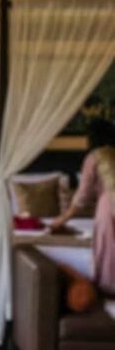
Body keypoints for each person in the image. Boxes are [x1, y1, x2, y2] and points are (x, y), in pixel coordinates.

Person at [50, 117, 115, 297]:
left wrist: (61, 220)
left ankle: (108, 290)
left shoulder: (94, 158)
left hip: (108, 208)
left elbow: (81, 199)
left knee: (109, 250)